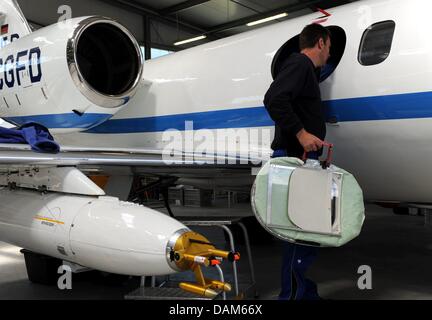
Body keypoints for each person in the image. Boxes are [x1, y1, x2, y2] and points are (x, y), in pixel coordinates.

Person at [263, 23, 332, 300]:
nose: (329, 54)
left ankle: (300, 290)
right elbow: (273, 99)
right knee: (298, 232)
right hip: (295, 158)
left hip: (303, 158)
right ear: (320, 43)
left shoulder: (305, 71)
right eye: (329, 47)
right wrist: (302, 134)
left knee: (306, 232)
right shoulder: (300, 64)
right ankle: (292, 296)